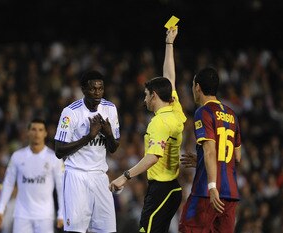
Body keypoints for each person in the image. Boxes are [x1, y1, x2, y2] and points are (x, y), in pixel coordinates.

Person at [109, 27, 187, 233]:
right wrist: (169, 44)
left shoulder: (159, 123)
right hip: (171, 187)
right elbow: (169, 78)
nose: (144, 99)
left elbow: (153, 157)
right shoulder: (175, 109)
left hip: (161, 189)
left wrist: (124, 176)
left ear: (153, 95)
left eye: (146, 95)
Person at [54, 70, 120, 233]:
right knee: (75, 230)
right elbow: (59, 150)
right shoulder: (70, 112)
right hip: (77, 176)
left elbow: (113, 148)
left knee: (108, 230)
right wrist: (89, 136)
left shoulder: (110, 109)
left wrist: (109, 134)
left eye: (100, 88)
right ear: (83, 90)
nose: (97, 93)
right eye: (93, 89)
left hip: (100, 176)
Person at [178, 67, 242, 233]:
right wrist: (201, 161)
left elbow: (210, 151)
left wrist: (212, 186)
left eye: (192, 85)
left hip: (206, 192)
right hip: (230, 194)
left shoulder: (204, 112)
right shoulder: (232, 114)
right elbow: (237, 157)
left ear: (197, 87)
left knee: (188, 229)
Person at [0, 118, 64, 233]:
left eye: (40, 130)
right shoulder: (17, 156)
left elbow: (61, 186)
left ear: (45, 133)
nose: (37, 133)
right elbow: (8, 183)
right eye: (33, 129)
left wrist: (62, 213)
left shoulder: (54, 158)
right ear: (28, 132)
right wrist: (0, 209)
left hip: (45, 216)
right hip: (22, 215)